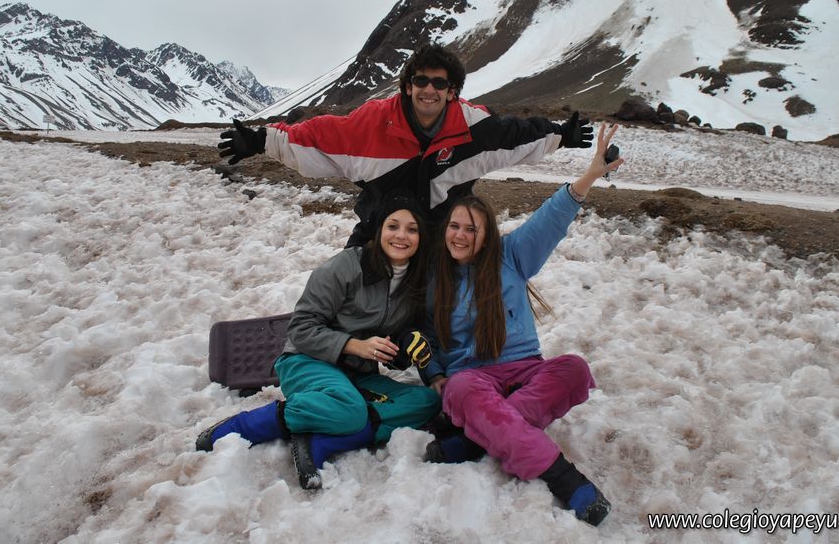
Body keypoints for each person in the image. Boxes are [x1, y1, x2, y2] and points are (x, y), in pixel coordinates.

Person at [418, 123, 624, 527]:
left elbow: (552, 217)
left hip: (526, 371)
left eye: (471, 229)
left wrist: (590, 175)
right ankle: (565, 479)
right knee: (461, 390)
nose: (460, 235)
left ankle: (477, 439)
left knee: (574, 369)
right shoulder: (435, 279)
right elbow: (426, 335)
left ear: (486, 234)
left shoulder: (511, 256)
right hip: (472, 379)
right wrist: (435, 374)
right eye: (455, 227)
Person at [218, 43, 594, 246]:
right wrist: (261, 139)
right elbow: (319, 135)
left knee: (444, 317)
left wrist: (562, 134)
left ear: (452, 91)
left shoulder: (474, 127)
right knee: (345, 298)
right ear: (408, 86)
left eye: (439, 83)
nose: (429, 89)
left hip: (442, 242)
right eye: (421, 81)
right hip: (380, 237)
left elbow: (516, 135)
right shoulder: (373, 122)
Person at [195, 191, 440, 489]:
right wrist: (355, 346)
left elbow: (395, 346)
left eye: (412, 229)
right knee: (351, 410)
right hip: (307, 360)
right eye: (393, 226)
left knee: (426, 401)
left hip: (356, 375)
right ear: (378, 230)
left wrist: (407, 345)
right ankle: (243, 425)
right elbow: (300, 328)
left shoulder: (416, 281)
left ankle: (320, 439)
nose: (401, 236)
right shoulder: (345, 267)